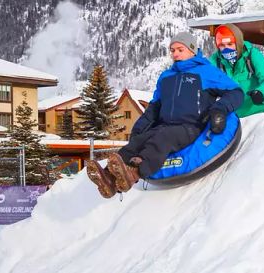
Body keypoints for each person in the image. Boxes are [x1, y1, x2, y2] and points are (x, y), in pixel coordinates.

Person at [86, 32, 244, 198]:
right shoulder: (166, 77)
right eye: (172, 50)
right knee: (138, 142)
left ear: (192, 50)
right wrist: (139, 128)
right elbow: (155, 106)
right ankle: (108, 179)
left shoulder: (206, 72)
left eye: (180, 49)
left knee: (162, 139)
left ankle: (134, 173)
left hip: (191, 126)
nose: (175, 53)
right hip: (164, 125)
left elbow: (235, 91)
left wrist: (219, 109)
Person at [209, 23, 264, 118]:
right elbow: (206, 83)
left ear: (238, 43)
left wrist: (262, 92)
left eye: (230, 44)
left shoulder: (251, 56)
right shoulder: (216, 62)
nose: (226, 49)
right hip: (234, 118)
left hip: (259, 115)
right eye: (222, 45)